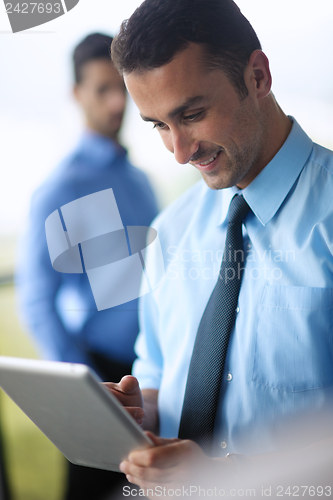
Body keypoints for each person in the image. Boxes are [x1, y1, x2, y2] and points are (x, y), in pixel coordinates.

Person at [103, 0, 333, 494]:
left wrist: (234, 478)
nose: (180, 152)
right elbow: (160, 375)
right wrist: (135, 414)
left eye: (192, 114)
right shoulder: (171, 231)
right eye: (159, 125)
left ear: (258, 76)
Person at [15, 33, 158, 500]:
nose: (117, 101)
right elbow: (37, 301)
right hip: (102, 377)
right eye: (102, 89)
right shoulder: (60, 188)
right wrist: (88, 395)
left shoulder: (139, 180)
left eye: (122, 86)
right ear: (77, 95)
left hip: (152, 376)